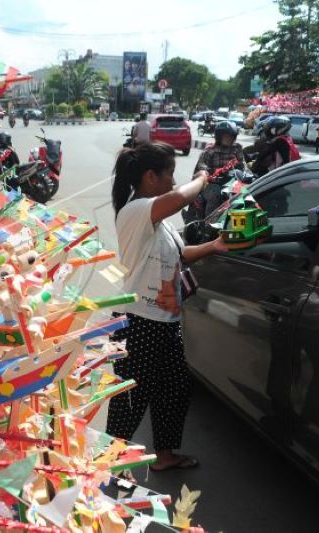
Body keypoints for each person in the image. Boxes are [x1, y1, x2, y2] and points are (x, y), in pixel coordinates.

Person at [106, 142, 228, 473]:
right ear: (150, 177)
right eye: (169, 174)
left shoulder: (159, 222)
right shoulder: (136, 211)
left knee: (174, 387)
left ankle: (165, 454)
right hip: (136, 321)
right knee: (130, 397)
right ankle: (106, 467)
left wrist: (216, 246)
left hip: (163, 320)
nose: (173, 181)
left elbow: (181, 254)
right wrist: (203, 179)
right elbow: (178, 200)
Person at [184, 120, 245, 223]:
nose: (227, 138)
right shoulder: (210, 150)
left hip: (232, 183)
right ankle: (209, 225)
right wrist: (207, 172)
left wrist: (248, 174)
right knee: (215, 195)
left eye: (230, 136)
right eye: (225, 136)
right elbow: (201, 166)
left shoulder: (237, 149)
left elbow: (243, 164)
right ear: (219, 137)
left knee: (245, 195)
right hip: (213, 183)